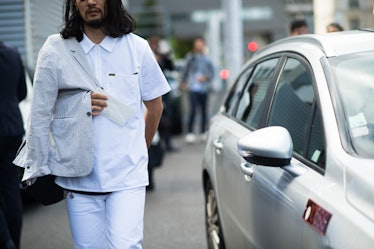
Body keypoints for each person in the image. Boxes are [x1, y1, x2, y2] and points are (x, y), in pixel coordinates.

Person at [13, 0, 170, 248]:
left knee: (125, 246)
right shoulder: (56, 49)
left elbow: (155, 106)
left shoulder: (136, 47)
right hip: (78, 178)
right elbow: (40, 113)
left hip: (127, 177)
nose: (90, 1)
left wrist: (140, 148)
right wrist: (79, 106)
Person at [0, 41, 27, 249]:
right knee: (11, 189)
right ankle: (14, 242)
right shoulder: (12, 53)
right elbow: (22, 93)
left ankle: (5, 240)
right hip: (12, 127)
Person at [181, 37, 215, 143]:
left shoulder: (207, 59)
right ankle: (190, 132)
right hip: (193, 88)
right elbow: (185, 70)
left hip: (204, 88)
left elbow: (212, 73)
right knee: (193, 110)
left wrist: (205, 78)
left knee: (204, 110)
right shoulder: (190, 57)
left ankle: (203, 131)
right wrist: (183, 82)